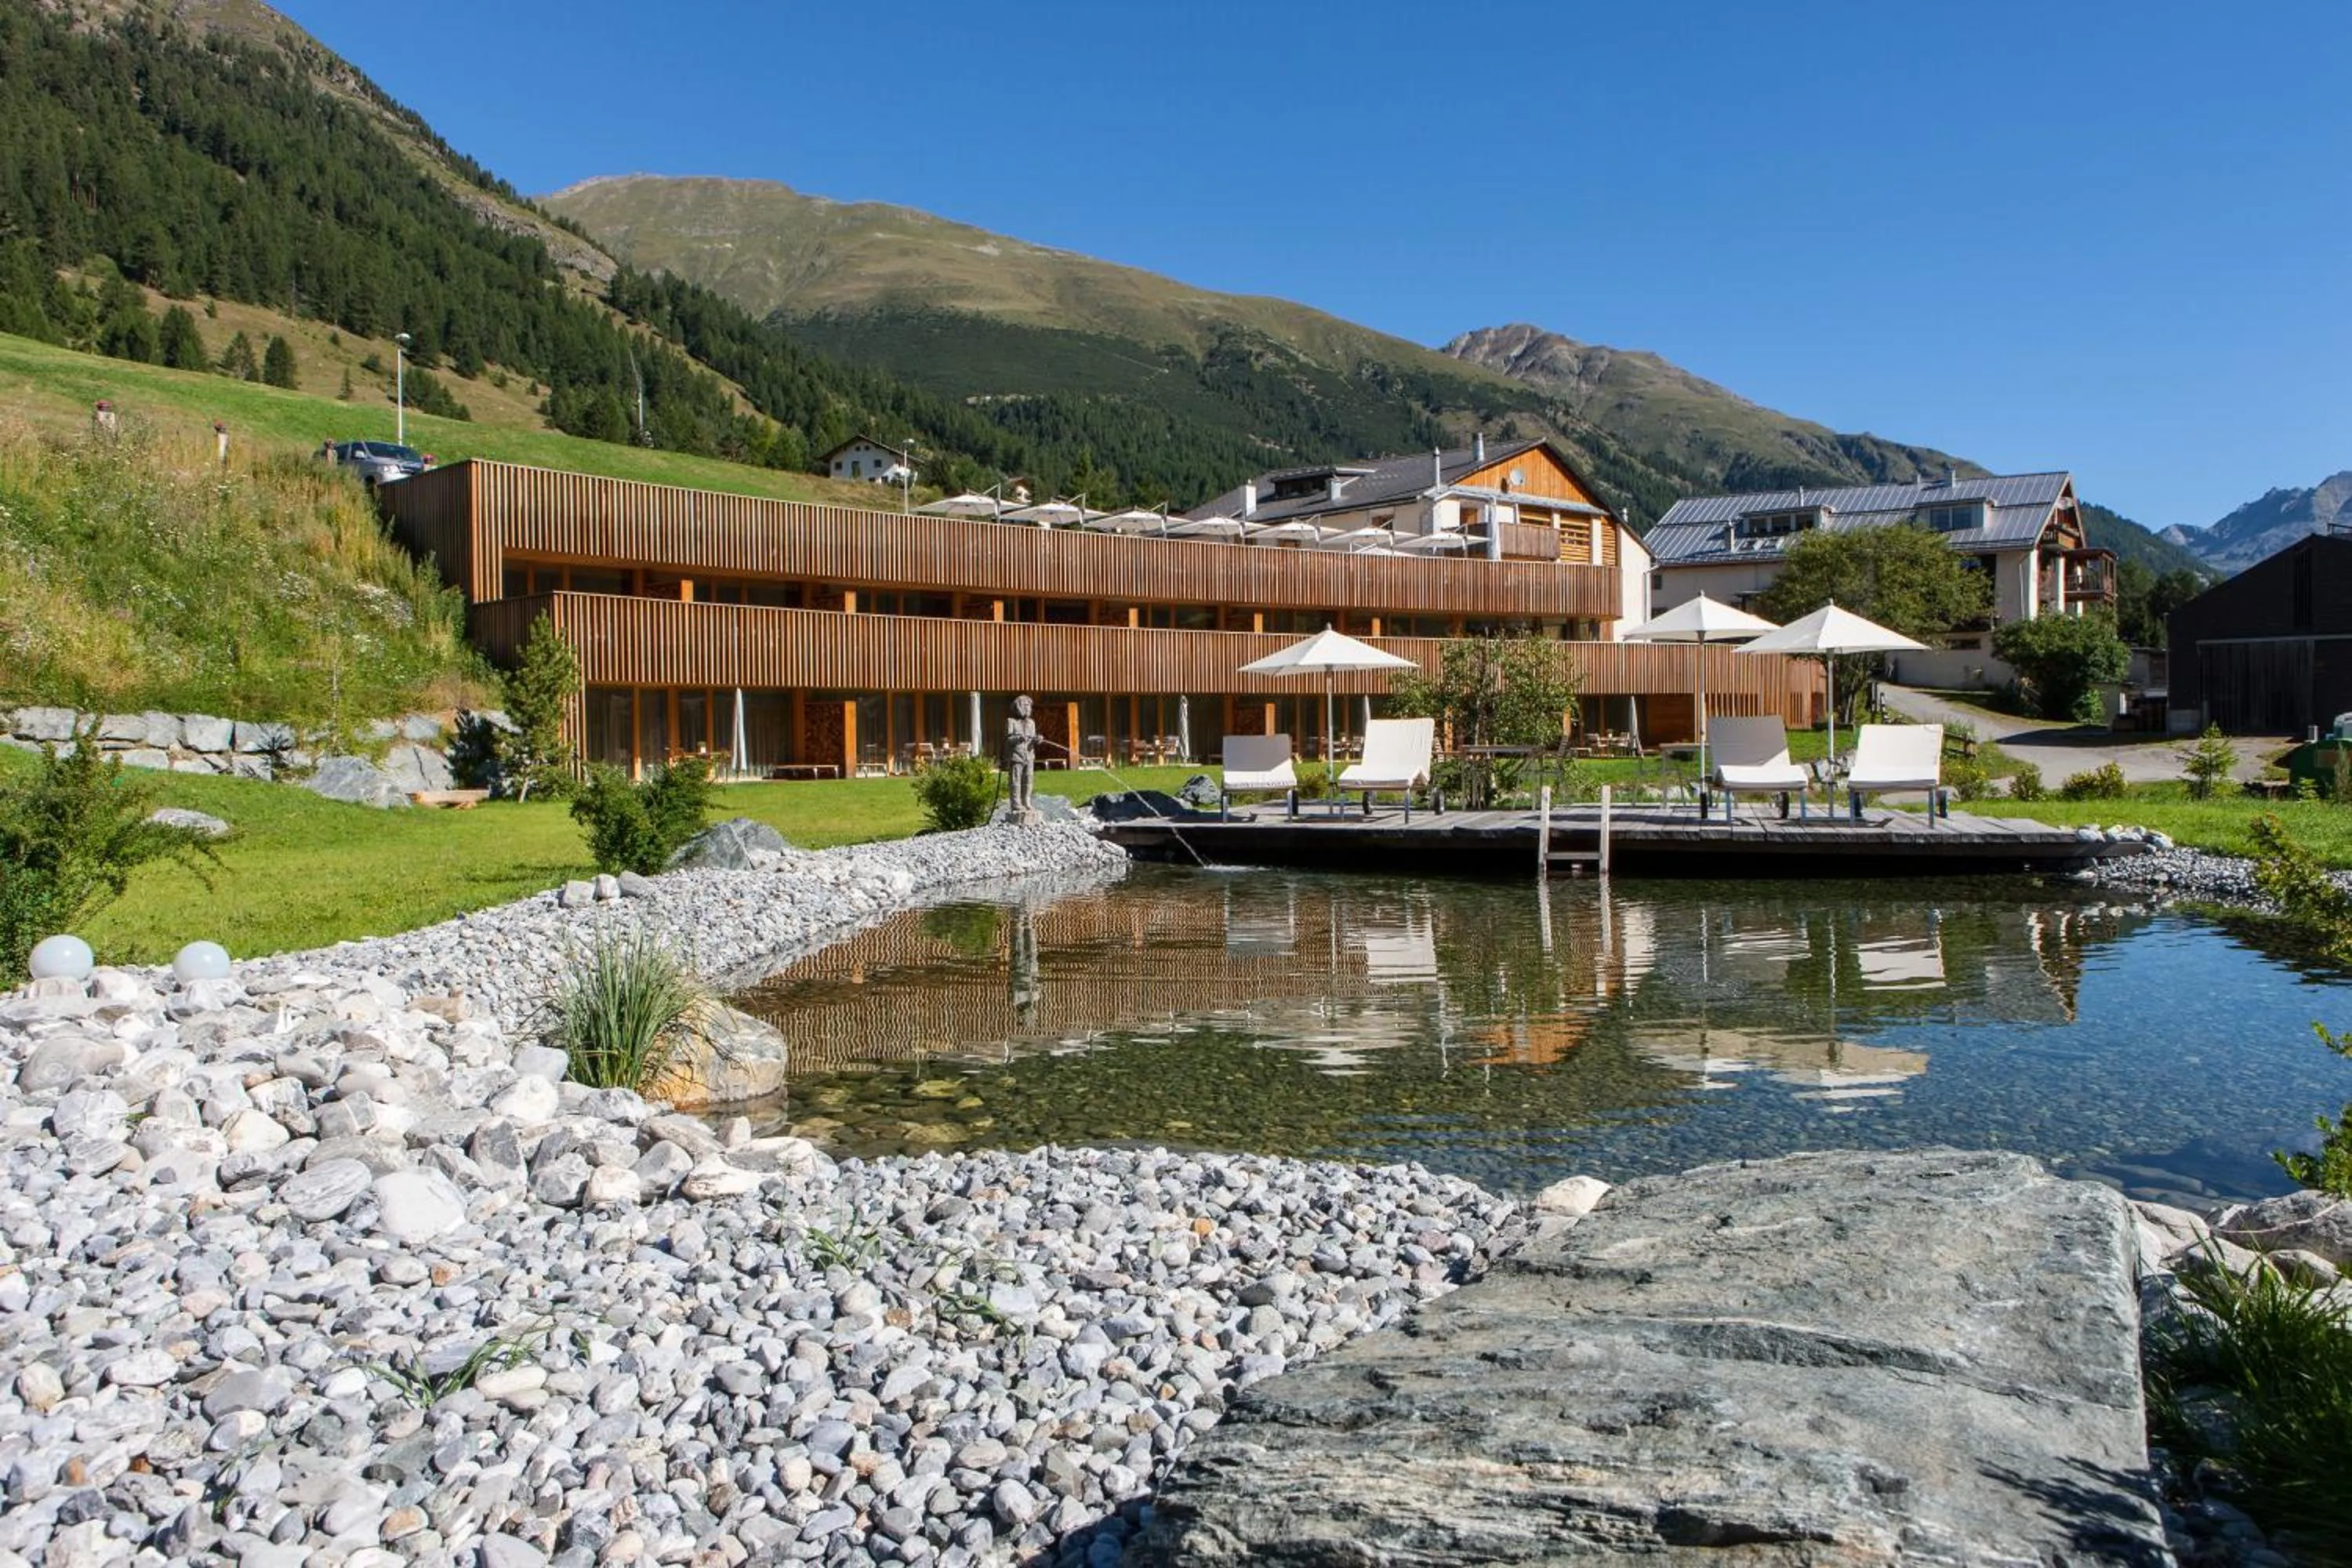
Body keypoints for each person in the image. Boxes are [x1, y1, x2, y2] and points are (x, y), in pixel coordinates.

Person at [1004, 694, 1039, 816]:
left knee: (1028, 779)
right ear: (1018, 707)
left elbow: (1033, 739)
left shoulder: (1031, 723)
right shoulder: (1011, 722)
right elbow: (1008, 739)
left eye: (1030, 706)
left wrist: (1037, 740)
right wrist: (1018, 738)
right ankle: (1016, 803)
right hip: (1017, 756)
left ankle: (1027, 801)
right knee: (1016, 780)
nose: (1029, 708)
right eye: (1026, 705)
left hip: (1029, 756)